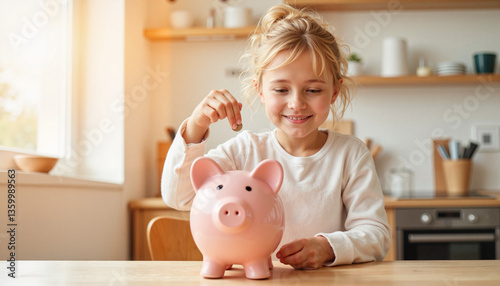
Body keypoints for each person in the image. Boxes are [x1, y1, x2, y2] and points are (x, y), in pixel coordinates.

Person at [162, 4, 390, 270]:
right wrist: (196, 125)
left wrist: (328, 248)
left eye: (313, 90)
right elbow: (178, 197)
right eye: (281, 89)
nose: (296, 103)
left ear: (335, 91)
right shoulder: (244, 151)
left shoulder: (350, 154)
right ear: (260, 91)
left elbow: (376, 234)